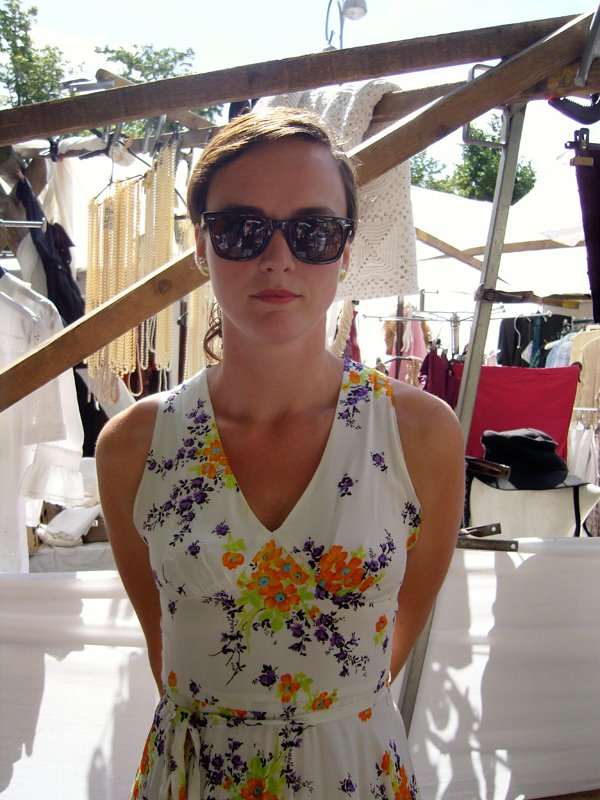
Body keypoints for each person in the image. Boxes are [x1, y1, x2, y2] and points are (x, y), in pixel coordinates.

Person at [96, 107, 465, 800]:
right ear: (201, 245)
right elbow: (163, 646)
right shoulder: (134, 447)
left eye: (313, 231)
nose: (277, 258)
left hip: (354, 774)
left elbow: (395, 640)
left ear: (346, 250)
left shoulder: (418, 433)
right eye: (241, 229)